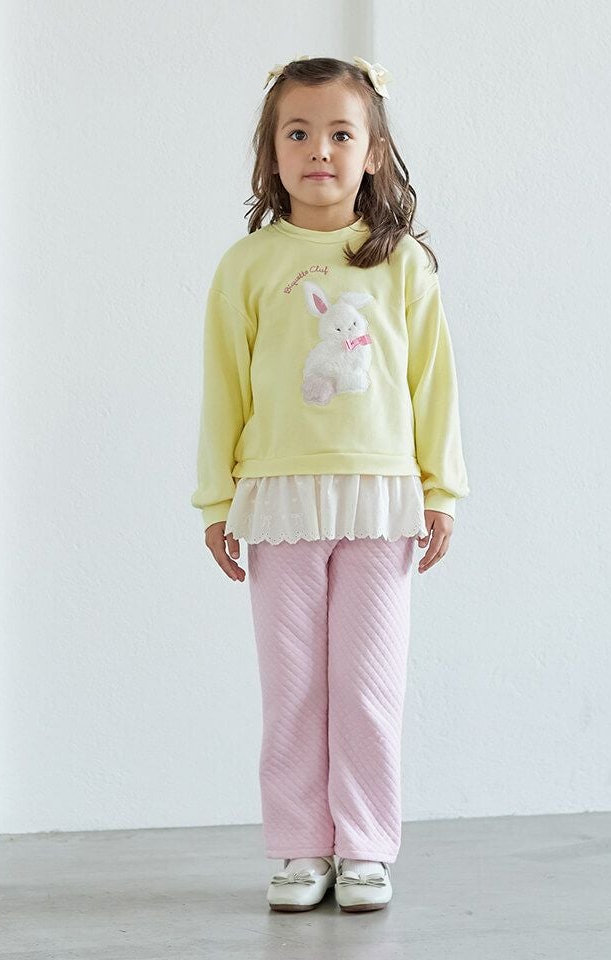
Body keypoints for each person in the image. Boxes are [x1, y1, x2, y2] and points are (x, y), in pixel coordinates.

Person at [190, 55, 469, 913]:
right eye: (299, 133)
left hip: (380, 500)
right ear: (271, 152)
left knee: (366, 686)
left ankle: (365, 847)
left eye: (341, 134)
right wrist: (216, 501)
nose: (320, 150)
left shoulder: (403, 265)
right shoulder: (247, 265)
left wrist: (440, 491)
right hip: (279, 500)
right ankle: (301, 845)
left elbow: (434, 384)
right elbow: (223, 388)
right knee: (293, 686)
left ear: (373, 152)